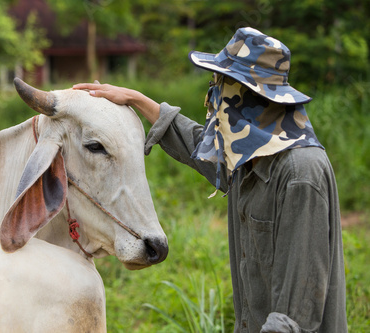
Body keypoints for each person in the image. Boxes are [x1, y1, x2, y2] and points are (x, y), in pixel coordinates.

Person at [74, 27, 347, 333]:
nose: (213, 95)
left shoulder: (299, 175)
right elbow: (199, 148)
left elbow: (298, 311)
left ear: (248, 94)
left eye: (221, 83)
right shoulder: (250, 156)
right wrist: (136, 99)